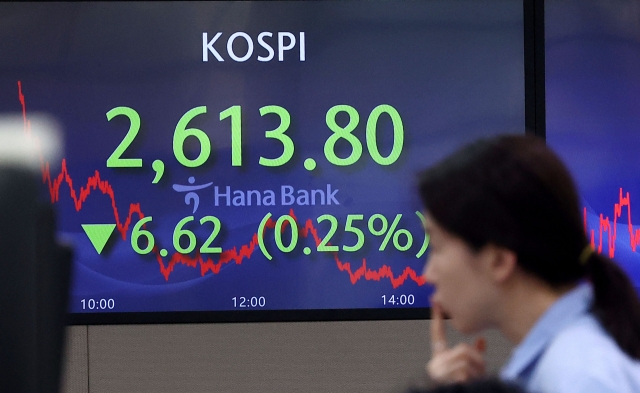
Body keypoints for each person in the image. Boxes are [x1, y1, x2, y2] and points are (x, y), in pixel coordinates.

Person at [417, 135, 640, 392]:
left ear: (499, 261)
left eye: (436, 248)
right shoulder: (571, 361)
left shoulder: (578, 376)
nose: (428, 275)